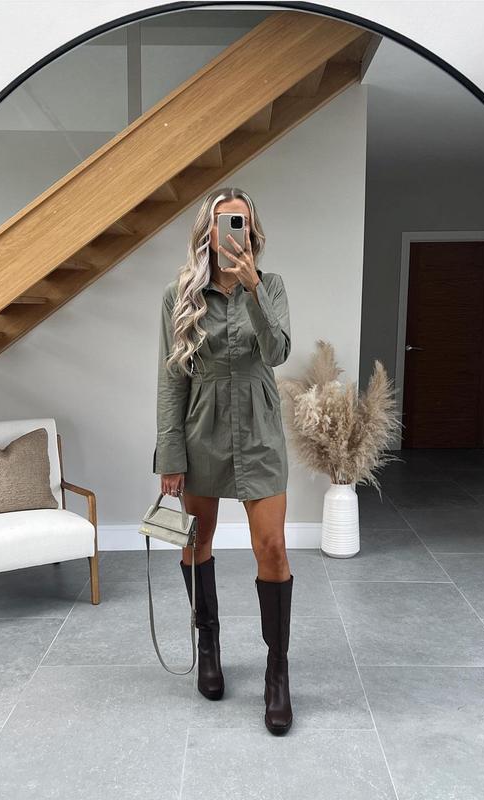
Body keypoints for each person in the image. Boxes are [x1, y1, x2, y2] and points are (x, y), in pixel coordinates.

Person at [153, 187, 293, 735]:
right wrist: (170, 452)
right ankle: (207, 646)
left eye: (241, 222)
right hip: (202, 429)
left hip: (259, 428)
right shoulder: (179, 295)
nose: (233, 230)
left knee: (272, 547)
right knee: (197, 541)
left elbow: (277, 352)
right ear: (207, 231)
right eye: (223, 221)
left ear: (251, 232)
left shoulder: (271, 285)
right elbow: (172, 379)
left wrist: (253, 286)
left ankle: (277, 673)